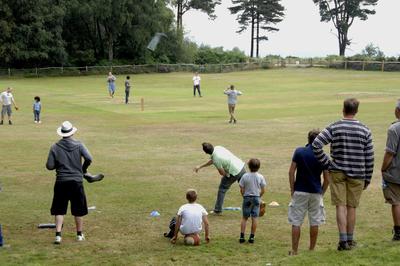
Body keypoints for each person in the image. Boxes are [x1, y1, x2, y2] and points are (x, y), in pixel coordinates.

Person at [312, 98, 374, 251]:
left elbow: (316, 144)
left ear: (343, 109)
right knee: (351, 207)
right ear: (356, 111)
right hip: (358, 173)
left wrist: (327, 163)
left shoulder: (335, 126)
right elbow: (370, 156)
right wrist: (368, 177)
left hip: (338, 171)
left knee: (341, 206)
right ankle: (350, 239)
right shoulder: (365, 129)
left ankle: (343, 241)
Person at [46, 121, 93, 244]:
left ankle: (58, 235)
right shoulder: (79, 145)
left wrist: (59, 162)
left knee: (59, 209)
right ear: (72, 132)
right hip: (76, 181)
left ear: (61, 133)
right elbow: (89, 158)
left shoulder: (55, 147)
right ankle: (79, 235)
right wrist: (83, 169)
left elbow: (49, 166)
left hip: (61, 181)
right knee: (78, 209)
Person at [288, 130, 329, 255]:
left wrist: (292, 189)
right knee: (315, 221)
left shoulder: (299, 151)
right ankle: (312, 249)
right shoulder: (323, 156)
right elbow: (327, 178)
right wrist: (322, 192)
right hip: (315, 191)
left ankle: (294, 250)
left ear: (308, 139)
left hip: (300, 190)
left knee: (296, 222)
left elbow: (291, 171)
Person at [194, 142, 246, 214]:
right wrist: (200, 166)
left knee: (222, 188)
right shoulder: (218, 147)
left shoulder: (216, 158)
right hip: (241, 166)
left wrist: (227, 177)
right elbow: (213, 160)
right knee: (245, 189)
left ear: (205, 152)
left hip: (234, 172)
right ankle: (256, 203)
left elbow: (222, 173)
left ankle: (218, 210)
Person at [381, 100, 400, 241]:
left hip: (395, 173)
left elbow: (390, 153)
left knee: (396, 202)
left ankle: (398, 232)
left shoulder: (394, 129)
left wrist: (383, 168)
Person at [238, 158, 266, 244]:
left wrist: (244, 196)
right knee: (255, 218)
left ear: (249, 166)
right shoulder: (260, 177)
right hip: (256, 198)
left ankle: (242, 236)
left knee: (244, 218)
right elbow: (263, 189)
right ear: (259, 167)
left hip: (247, 197)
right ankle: (252, 237)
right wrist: (259, 197)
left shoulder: (245, 176)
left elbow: (241, 189)